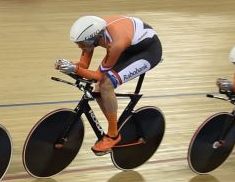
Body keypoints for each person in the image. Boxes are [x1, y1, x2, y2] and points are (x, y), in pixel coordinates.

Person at [56, 15, 163, 153]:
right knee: (98, 87)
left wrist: (75, 69)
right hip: (130, 46)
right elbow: (84, 64)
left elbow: (98, 75)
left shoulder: (115, 44)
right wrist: (69, 66)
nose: (79, 47)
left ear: (95, 38)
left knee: (105, 84)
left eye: (82, 44)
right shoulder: (95, 31)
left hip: (148, 52)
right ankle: (116, 125)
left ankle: (113, 135)